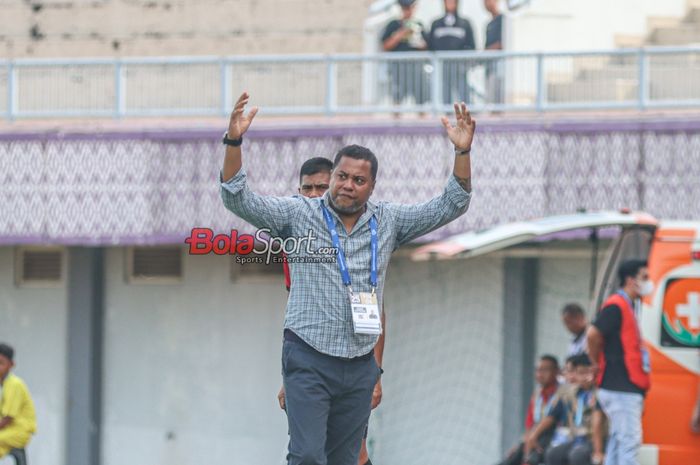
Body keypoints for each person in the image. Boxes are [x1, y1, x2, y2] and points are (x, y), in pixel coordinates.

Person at [221, 92, 475, 465]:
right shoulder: (298, 214)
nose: (347, 185)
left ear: (371, 187)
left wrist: (462, 154)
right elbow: (236, 198)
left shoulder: (388, 220)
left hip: (359, 363)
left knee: (345, 459)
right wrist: (233, 141)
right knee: (307, 456)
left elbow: (452, 204)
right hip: (308, 355)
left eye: (358, 179)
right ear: (332, 177)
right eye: (341, 176)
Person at [276, 156, 386, 465]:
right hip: (312, 366)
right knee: (308, 451)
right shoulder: (297, 239)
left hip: (355, 367)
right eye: (306, 188)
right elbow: (298, 316)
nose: (313, 195)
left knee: (355, 451)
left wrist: (376, 373)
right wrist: (290, 377)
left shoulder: (363, 235)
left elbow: (376, 311)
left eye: (320, 187)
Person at [587, 259, 652, 465]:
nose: (648, 282)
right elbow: (592, 333)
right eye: (644, 277)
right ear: (630, 280)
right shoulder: (617, 306)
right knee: (629, 442)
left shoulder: (628, 306)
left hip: (618, 387)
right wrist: (595, 361)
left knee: (617, 440)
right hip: (621, 387)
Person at [525, 354, 606, 465]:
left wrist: (598, 451)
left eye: (588, 372)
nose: (584, 377)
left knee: (577, 455)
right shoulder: (571, 393)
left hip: (595, 438)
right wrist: (533, 435)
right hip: (577, 438)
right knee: (553, 454)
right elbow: (552, 415)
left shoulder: (599, 393)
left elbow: (598, 423)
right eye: (580, 373)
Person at [497, 355, 560, 465]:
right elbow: (529, 424)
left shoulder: (563, 393)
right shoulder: (537, 395)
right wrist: (523, 442)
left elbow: (551, 418)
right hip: (536, 438)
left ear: (556, 371)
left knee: (532, 457)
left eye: (545, 370)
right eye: (538, 370)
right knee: (511, 458)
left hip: (554, 437)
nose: (540, 374)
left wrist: (532, 437)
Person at [381, 0, 430, 108]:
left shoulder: (419, 25)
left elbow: (428, 47)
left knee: (421, 99)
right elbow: (385, 46)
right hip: (398, 69)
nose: (408, 11)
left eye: (410, 7)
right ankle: (396, 123)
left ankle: (422, 122)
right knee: (397, 99)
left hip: (416, 68)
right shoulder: (393, 25)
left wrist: (419, 43)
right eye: (405, 8)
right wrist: (401, 33)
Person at [430, 0, 476, 105]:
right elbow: (431, 45)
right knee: (445, 94)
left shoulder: (465, 23)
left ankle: (466, 114)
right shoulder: (436, 24)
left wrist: (466, 63)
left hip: (460, 67)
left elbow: (471, 45)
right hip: (443, 67)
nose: (450, 4)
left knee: (464, 94)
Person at [0, 343, 37, 459]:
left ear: (11, 365)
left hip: (19, 431)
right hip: (10, 430)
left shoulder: (14, 384)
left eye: (1, 363)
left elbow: (7, 418)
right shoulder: (5, 384)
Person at [483, 0, 504, 105]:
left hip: (500, 65)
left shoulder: (503, 20)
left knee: (498, 97)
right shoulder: (489, 24)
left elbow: (502, 43)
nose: (486, 3)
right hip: (489, 66)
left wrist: (487, 52)